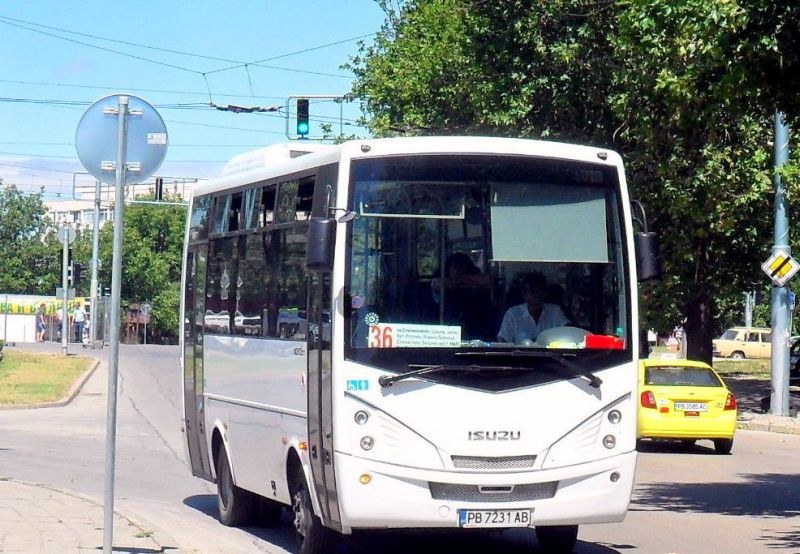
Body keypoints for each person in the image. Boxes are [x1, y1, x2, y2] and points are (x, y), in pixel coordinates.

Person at [432, 252, 495, 340]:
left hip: (473, 322)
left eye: (462, 266)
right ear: (447, 267)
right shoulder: (439, 280)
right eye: (454, 267)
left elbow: (487, 281)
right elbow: (445, 284)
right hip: (448, 323)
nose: (458, 270)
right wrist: (457, 281)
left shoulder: (471, 281)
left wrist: (466, 279)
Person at [498, 271, 569, 344]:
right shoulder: (512, 314)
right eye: (532, 292)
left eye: (539, 291)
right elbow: (503, 341)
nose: (536, 296)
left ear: (545, 293)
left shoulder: (555, 311)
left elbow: (569, 332)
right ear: (524, 294)